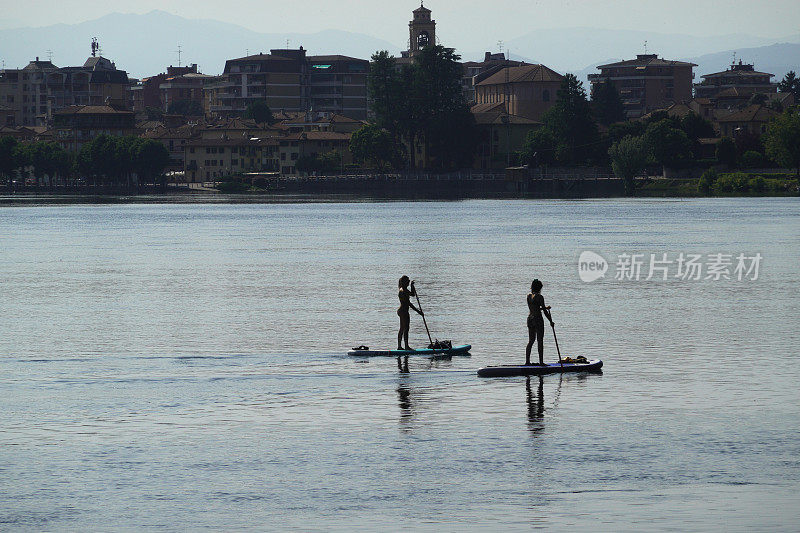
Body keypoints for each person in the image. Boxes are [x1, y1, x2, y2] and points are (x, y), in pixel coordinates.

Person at [526, 278, 553, 365]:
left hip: (530, 319)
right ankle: (541, 362)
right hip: (538, 319)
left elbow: (534, 308)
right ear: (539, 288)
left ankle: (527, 362)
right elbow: (544, 312)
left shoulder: (528, 296)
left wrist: (544, 308)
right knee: (540, 341)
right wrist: (551, 321)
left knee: (531, 341)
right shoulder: (540, 297)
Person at [397, 275, 423, 350]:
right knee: (405, 328)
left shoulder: (405, 289)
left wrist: (412, 286)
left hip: (403, 311)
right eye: (408, 281)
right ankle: (405, 346)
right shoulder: (402, 291)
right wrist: (418, 311)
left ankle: (401, 346)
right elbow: (409, 303)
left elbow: (413, 294)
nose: (408, 282)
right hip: (403, 311)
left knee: (402, 328)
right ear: (404, 282)